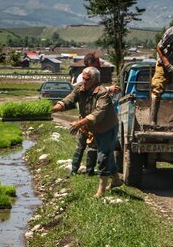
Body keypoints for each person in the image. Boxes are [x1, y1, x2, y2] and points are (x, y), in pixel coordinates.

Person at [52, 67, 122, 197]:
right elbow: (68, 100)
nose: (84, 81)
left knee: (103, 157)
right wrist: (53, 109)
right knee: (107, 155)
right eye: (83, 78)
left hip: (107, 128)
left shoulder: (102, 93)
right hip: (94, 128)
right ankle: (116, 180)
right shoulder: (80, 87)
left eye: (87, 79)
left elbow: (98, 114)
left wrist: (79, 123)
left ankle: (100, 191)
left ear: (95, 80)